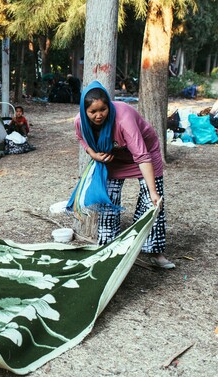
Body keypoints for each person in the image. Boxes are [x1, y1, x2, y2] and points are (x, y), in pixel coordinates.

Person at [67, 80, 174, 269]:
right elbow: (82, 139)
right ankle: (108, 247)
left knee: (152, 202)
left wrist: (153, 191)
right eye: (93, 112)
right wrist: (93, 154)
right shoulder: (80, 122)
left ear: (109, 105)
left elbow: (142, 156)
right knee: (108, 200)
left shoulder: (123, 120)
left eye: (103, 110)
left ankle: (155, 252)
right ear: (85, 112)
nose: (99, 115)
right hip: (113, 158)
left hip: (145, 154)